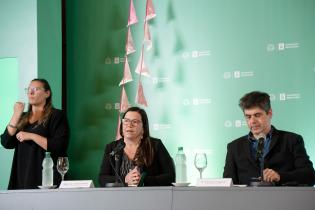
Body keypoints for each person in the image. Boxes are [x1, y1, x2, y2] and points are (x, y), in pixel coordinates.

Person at [223, 91, 315, 186]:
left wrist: (280, 176)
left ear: (269, 113)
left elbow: (309, 176)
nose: (252, 121)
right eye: (248, 117)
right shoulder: (234, 147)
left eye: (257, 115)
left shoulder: (292, 140)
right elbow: (227, 184)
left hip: (283, 199)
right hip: (246, 200)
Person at [1, 79, 70, 189]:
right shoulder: (22, 116)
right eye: (28, 89)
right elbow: (6, 142)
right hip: (22, 178)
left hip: (46, 180)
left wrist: (31, 136)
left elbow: (59, 146)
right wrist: (16, 114)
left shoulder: (57, 115)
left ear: (47, 93)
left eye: (35, 89)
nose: (30, 92)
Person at [99, 106, 175, 187]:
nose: (129, 125)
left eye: (134, 122)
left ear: (143, 128)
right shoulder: (112, 148)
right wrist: (125, 179)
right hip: (119, 197)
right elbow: (102, 178)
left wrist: (143, 180)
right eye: (126, 121)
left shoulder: (155, 145)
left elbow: (170, 176)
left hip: (150, 197)